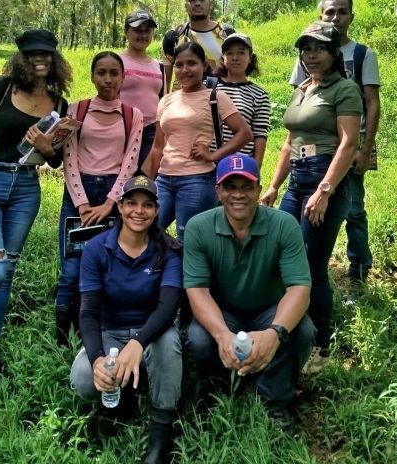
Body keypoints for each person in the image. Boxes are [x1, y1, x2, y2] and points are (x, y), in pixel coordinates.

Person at [0, 29, 71, 387]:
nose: (40, 60)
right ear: (22, 58)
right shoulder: (3, 87)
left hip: (25, 187)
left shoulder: (59, 103)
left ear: (55, 60)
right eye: (33, 54)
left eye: (47, 55)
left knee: (9, 268)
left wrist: (46, 145)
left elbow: (57, 161)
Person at [184, 153, 315, 434]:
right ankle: (219, 389)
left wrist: (274, 333)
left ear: (259, 189)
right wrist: (221, 336)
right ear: (217, 191)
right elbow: (197, 291)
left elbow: (299, 289)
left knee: (301, 330)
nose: (238, 195)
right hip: (224, 312)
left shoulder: (284, 225)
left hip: (267, 308)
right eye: (230, 187)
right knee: (197, 337)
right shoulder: (198, 227)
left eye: (247, 186)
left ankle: (273, 399)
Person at [261, 21, 362, 374]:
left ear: (334, 53)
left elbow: (349, 143)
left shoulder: (345, 90)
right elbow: (289, 142)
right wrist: (274, 187)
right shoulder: (303, 88)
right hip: (298, 180)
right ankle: (288, 328)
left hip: (325, 180)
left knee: (312, 266)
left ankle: (320, 343)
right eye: (305, 49)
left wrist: (324, 191)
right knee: (282, 255)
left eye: (318, 48)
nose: (311, 55)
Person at [70, 175, 183, 464]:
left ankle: (160, 433)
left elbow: (168, 306)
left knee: (169, 343)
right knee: (84, 380)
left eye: (147, 205)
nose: (138, 211)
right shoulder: (97, 248)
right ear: (120, 207)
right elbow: (88, 311)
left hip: (151, 332)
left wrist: (138, 341)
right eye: (131, 203)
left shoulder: (168, 250)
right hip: (110, 332)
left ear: (157, 210)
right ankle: (118, 402)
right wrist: (96, 358)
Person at [289, 0, 381, 306]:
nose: (335, 18)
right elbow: (300, 103)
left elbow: (371, 102)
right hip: (312, 152)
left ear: (351, 17)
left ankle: (357, 271)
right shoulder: (307, 54)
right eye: (330, 12)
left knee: (353, 210)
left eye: (342, 12)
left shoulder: (362, 53)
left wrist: (365, 149)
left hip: (350, 144)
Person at [55, 51, 144, 347]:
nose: (107, 79)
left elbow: (130, 163)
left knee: (106, 264)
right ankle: (61, 335)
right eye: (101, 73)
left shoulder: (133, 116)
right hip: (77, 192)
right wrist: (81, 203)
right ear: (92, 76)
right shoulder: (76, 110)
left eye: (113, 73)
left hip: (113, 195)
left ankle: (92, 329)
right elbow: (69, 158)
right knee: (71, 268)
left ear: (123, 77)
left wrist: (110, 203)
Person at [144, 41, 252, 243]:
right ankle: (163, 271)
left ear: (204, 66)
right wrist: (149, 183)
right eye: (179, 65)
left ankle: (189, 274)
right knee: (146, 231)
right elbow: (158, 146)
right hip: (164, 179)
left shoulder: (215, 97)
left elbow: (244, 133)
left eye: (191, 63)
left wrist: (213, 155)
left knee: (189, 240)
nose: (185, 70)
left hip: (196, 180)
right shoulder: (166, 100)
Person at [213, 33, 271, 167]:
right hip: (206, 165)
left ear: (250, 57)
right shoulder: (208, 86)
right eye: (229, 53)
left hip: (239, 166)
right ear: (223, 58)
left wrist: (256, 168)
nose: (235, 58)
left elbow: (260, 135)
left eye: (241, 53)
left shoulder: (259, 94)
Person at [161, 0, 234, 90]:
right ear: (186, 6)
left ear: (210, 3)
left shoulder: (226, 33)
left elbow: (237, 71)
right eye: (192, 0)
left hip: (220, 100)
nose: (197, 3)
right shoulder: (174, 36)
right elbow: (164, 83)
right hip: (183, 103)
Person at [119, 10, 164, 170]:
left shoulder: (159, 66)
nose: (142, 35)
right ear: (126, 32)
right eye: (137, 30)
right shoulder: (118, 62)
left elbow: (161, 98)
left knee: (145, 181)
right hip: (122, 128)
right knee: (121, 175)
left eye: (147, 31)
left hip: (151, 131)